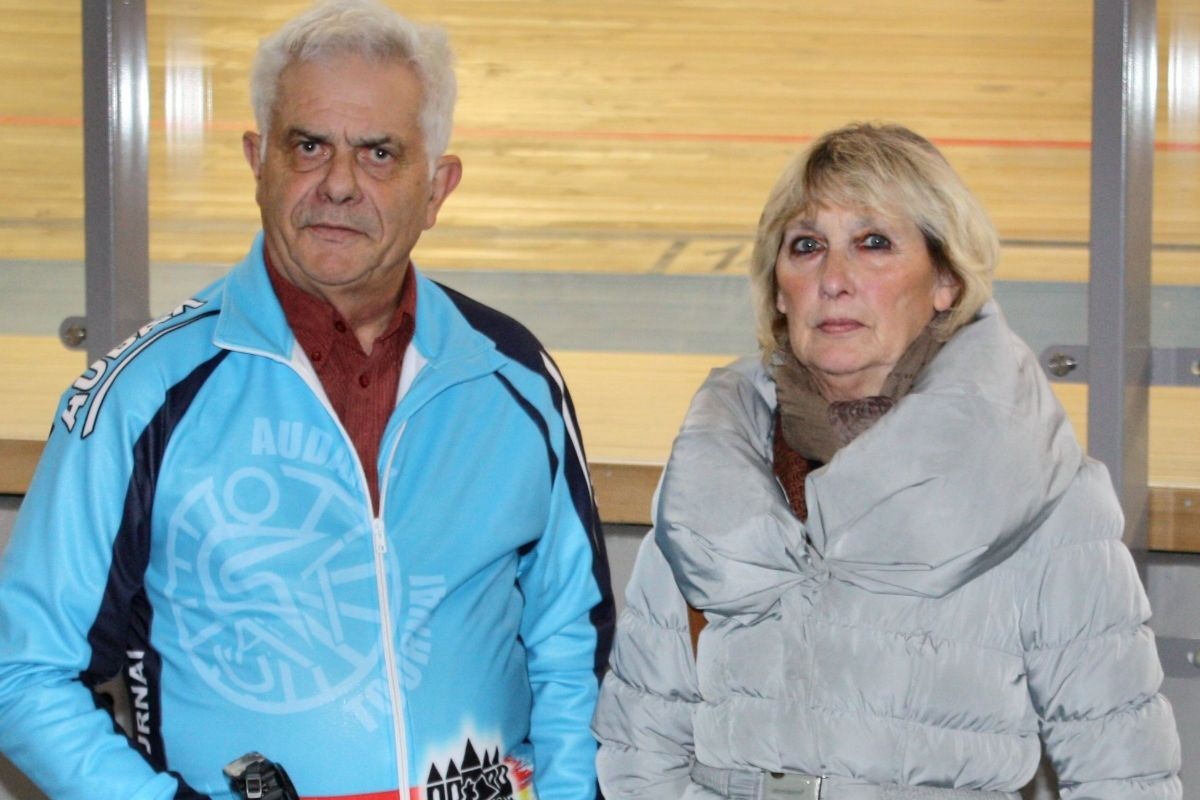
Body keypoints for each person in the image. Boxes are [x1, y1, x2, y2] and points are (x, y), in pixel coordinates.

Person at [0, 2, 613, 798]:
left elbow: (573, 653)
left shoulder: (515, 379)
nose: (339, 185)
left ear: (437, 188)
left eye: (380, 153)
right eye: (309, 145)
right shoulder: (141, 397)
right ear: (258, 162)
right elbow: (24, 673)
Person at [592, 123, 1181, 799]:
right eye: (806, 246)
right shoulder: (716, 463)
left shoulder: (1044, 492)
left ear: (947, 281)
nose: (833, 280)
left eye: (874, 243)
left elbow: (1122, 773)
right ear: (779, 291)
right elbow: (641, 737)